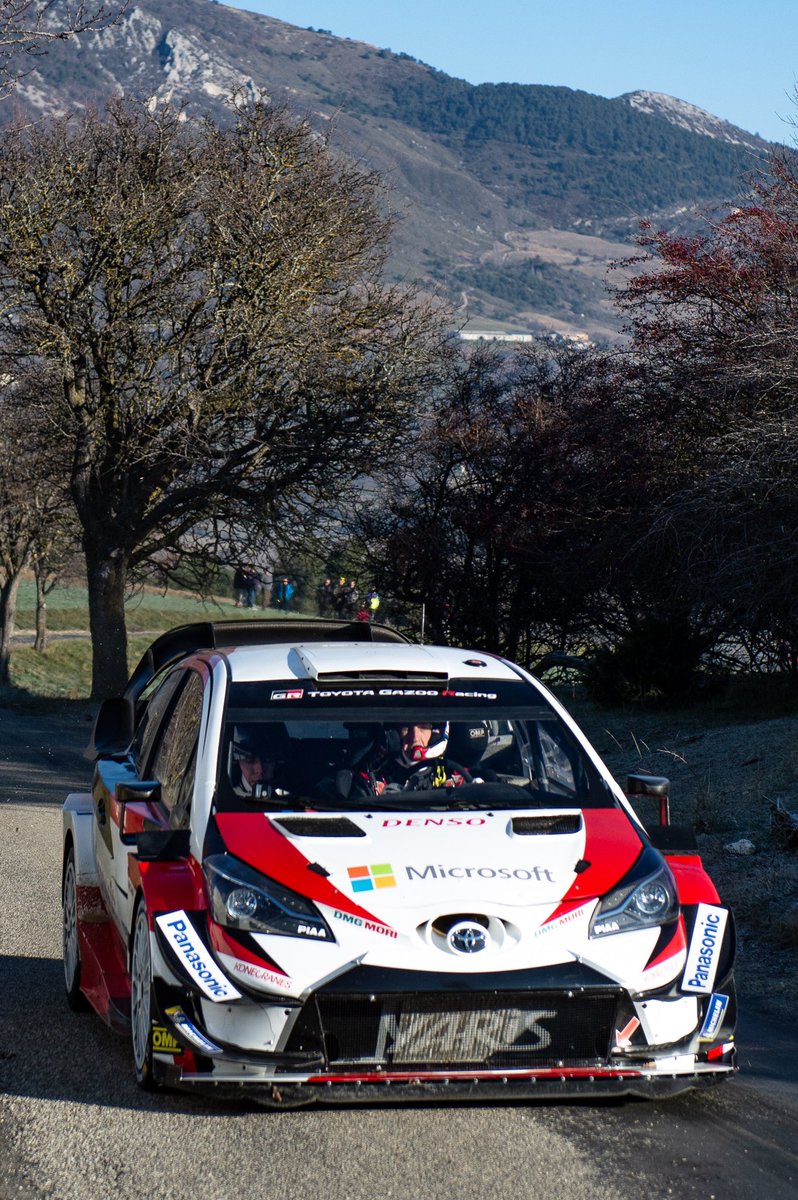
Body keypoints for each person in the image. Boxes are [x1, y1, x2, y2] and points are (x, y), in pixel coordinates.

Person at [229, 725, 290, 799]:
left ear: (277, 766)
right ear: (235, 763)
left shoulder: (296, 804)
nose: (259, 770)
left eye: (267, 761)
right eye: (250, 760)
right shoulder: (224, 802)